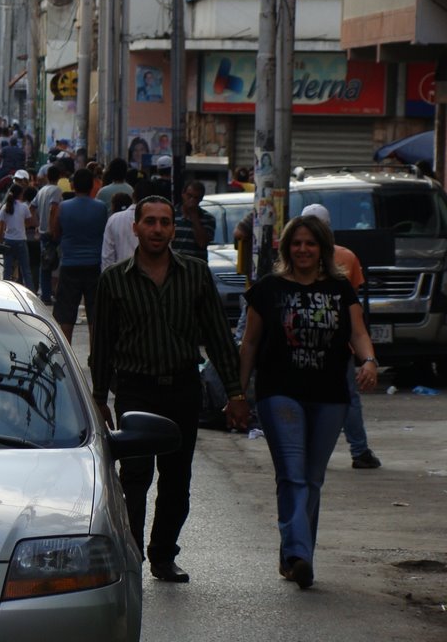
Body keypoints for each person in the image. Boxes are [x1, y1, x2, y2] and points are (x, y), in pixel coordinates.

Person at [91, 195, 248, 583]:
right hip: (135, 391)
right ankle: (130, 558)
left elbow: (217, 336)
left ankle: (163, 555)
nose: (158, 229)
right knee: (135, 478)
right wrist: (97, 398)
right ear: (136, 228)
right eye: (150, 222)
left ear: (172, 230)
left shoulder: (195, 274)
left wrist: (236, 393)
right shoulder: (114, 280)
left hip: (181, 388)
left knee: (177, 480)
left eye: (165, 223)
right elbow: (103, 344)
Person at [239, 214, 378, 589]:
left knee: (312, 479)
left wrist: (368, 361)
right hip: (279, 392)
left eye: (310, 243)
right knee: (293, 475)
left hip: (330, 395)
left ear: (323, 249)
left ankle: (295, 557)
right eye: (296, 243)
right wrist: (239, 393)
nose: (303, 249)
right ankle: (301, 554)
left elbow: (359, 332)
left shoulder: (339, 288)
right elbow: (249, 343)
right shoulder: (268, 288)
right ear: (286, 248)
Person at [299, 204, 381, 470]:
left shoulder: (297, 259)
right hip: (338, 344)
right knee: (347, 397)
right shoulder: (346, 258)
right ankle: (359, 450)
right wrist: (367, 357)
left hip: (309, 345)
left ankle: (306, 449)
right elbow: (353, 308)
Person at [51, 168, 108, 344]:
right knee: (94, 314)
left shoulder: (64, 207)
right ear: (92, 185)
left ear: (73, 185)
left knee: (66, 315)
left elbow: (55, 233)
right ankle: (95, 356)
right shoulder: (101, 207)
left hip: (69, 265)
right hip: (94, 266)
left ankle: (66, 354)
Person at [101, 179, 153, 269]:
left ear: (133, 196)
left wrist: (108, 280)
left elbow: (107, 257)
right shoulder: (160, 222)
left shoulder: (114, 220)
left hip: (120, 277)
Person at [0, 183, 36, 290]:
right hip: (21, 240)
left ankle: (5, 290)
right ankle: (30, 291)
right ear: (21, 194)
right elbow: (29, 222)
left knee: (7, 269)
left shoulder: (6, 207)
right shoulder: (24, 207)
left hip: (8, 241)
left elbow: (1, 227)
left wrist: (1, 241)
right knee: (25, 269)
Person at [33, 165, 64, 304]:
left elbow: (31, 208)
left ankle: (45, 294)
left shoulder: (42, 190)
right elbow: (53, 208)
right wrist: (52, 229)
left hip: (42, 232)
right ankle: (54, 293)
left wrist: (37, 225)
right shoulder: (56, 190)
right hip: (51, 233)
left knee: (45, 264)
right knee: (56, 263)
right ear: (59, 177)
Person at [171, 180, 215, 263]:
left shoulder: (208, 218)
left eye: (196, 198)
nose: (192, 200)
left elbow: (202, 243)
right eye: (189, 196)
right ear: (183, 195)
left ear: (201, 199)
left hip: (196, 268)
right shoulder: (171, 214)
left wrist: (194, 216)